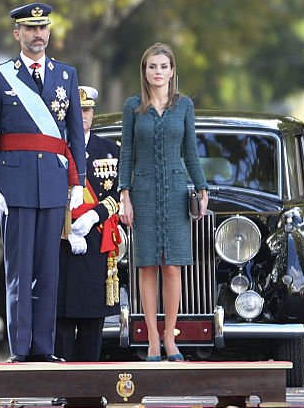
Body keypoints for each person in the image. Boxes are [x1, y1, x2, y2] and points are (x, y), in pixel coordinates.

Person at [0, 3, 87, 363]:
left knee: (48, 270)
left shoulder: (67, 75)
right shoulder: (0, 76)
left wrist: (78, 184)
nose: (38, 35)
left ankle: (44, 346)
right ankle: (20, 348)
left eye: (43, 28)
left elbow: (75, 136)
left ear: (49, 32)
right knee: (19, 270)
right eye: (30, 29)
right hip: (15, 183)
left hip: (54, 183)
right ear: (17, 34)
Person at [118, 43, 208, 362]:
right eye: (151, 66)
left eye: (163, 66)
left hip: (174, 190)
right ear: (144, 71)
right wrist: (124, 195)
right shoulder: (133, 107)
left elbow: (190, 151)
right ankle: (152, 338)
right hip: (142, 191)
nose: (157, 72)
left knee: (172, 266)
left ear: (172, 71)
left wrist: (201, 187)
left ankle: (171, 337)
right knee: (146, 265)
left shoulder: (183, 106)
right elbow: (126, 153)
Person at [56, 86, 121, 362]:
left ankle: (89, 384)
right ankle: (62, 384)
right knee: (61, 317)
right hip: (61, 240)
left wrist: (95, 215)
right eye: (77, 110)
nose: (82, 115)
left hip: (96, 240)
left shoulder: (110, 150)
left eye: (87, 110)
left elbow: (119, 193)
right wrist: (68, 227)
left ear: (93, 113)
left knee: (93, 319)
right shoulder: (55, 148)